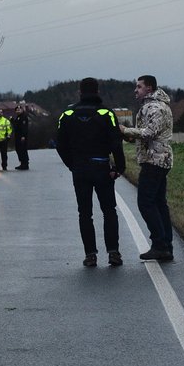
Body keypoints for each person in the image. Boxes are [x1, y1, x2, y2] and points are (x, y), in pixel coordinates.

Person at [55, 77, 126, 267]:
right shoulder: (106, 113)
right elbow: (115, 142)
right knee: (109, 211)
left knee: (85, 213)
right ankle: (113, 253)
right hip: (102, 167)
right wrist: (119, 167)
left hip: (80, 170)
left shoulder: (67, 114)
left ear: (80, 92)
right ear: (98, 92)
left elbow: (59, 144)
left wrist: (71, 164)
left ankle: (90, 255)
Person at [120, 75, 174, 262]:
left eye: (139, 87)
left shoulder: (155, 107)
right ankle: (166, 246)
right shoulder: (152, 105)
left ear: (149, 88)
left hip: (155, 160)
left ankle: (160, 245)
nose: (136, 90)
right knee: (159, 203)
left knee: (146, 202)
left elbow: (150, 133)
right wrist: (130, 136)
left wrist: (125, 130)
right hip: (157, 159)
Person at [11, 104, 30, 170]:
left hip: (22, 137)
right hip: (17, 136)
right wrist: (12, 120)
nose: (18, 111)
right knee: (18, 149)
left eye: (19, 109)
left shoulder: (23, 117)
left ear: (22, 110)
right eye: (16, 110)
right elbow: (16, 126)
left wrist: (23, 136)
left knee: (23, 150)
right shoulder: (18, 117)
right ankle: (22, 163)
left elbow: (24, 127)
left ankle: (25, 164)